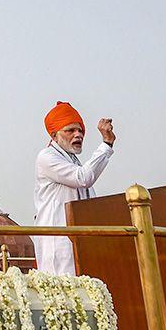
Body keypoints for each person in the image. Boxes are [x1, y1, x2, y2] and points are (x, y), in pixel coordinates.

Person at [33, 101, 116, 275]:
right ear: (54, 135)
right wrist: (106, 145)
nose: (78, 135)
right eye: (70, 130)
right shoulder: (47, 157)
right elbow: (83, 178)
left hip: (82, 239)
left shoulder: (72, 160)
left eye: (80, 130)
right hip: (60, 240)